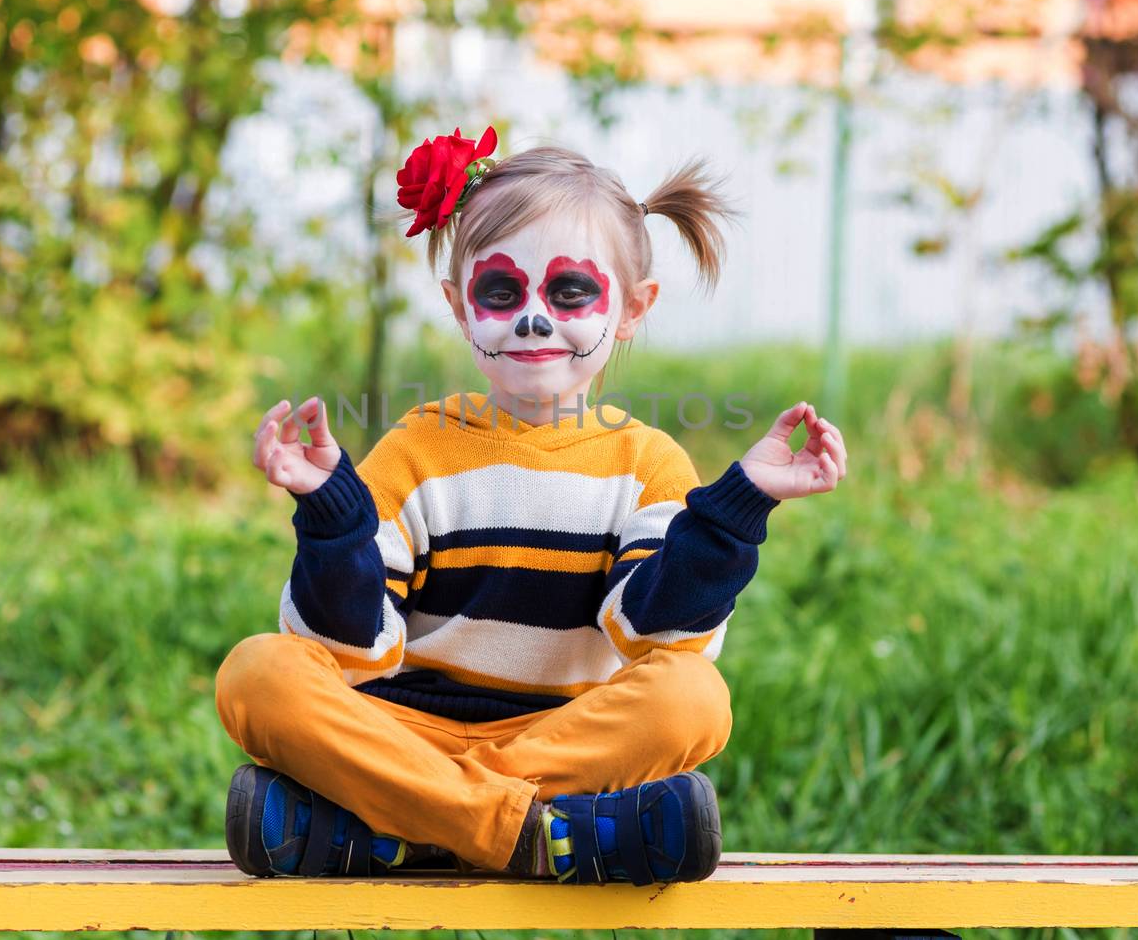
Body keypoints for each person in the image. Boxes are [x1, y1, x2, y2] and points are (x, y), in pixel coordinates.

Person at [214, 125, 848, 885]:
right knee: (259, 672)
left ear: (633, 307)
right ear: (458, 303)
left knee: (693, 695)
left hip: (558, 740)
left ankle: (405, 827)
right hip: (406, 730)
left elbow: (654, 629)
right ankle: (531, 833)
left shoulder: (645, 464)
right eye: (501, 291)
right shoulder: (418, 450)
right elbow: (349, 643)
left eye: (571, 290)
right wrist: (329, 510)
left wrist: (739, 504)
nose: (534, 317)